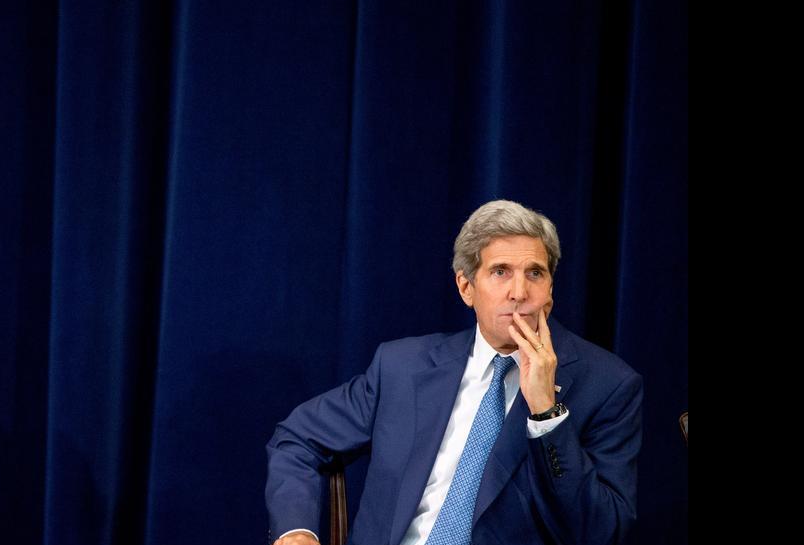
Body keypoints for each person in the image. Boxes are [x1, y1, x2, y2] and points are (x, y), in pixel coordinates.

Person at [265, 200, 642, 545]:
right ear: (466, 287)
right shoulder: (402, 366)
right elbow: (299, 438)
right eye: (500, 272)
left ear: (550, 290)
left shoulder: (607, 385)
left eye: (535, 273)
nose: (519, 291)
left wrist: (546, 414)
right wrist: (297, 532)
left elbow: (602, 533)